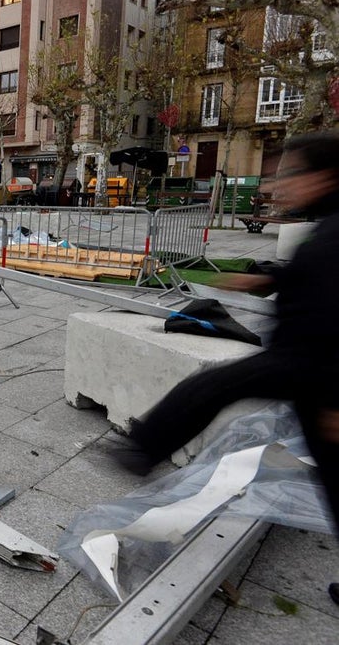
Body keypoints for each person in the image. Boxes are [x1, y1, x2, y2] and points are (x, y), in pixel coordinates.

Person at [115, 130, 339, 608]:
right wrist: (268, 275)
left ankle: (141, 447)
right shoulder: (329, 225)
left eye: (292, 175)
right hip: (304, 358)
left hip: (318, 367)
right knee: (218, 388)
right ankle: (143, 446)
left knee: (215, 385)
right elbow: (313, 275)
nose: (279, 188)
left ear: (325, 177)